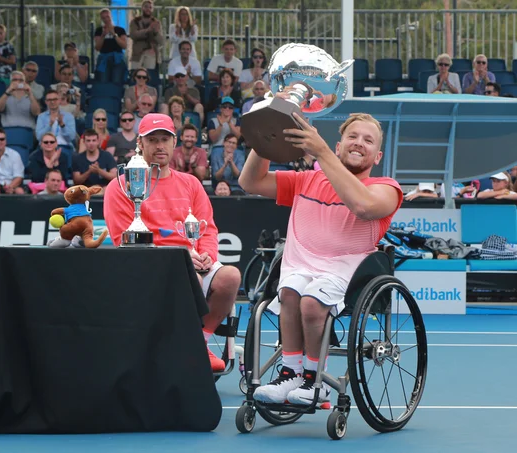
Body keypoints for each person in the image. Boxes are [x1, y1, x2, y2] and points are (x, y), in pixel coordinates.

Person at [239, 107, 403, 407]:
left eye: (368, 140)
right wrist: (266, 134)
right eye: (352, 136)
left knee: (312, 304)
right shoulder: (306, 181)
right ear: (340, 146)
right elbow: (250, 182)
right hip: (299, 266)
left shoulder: (386, 188)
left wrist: (322, 152)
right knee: (288, 292)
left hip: (345, 274)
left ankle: (316, 381)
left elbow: (363, 207)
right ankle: (291, 374)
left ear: (377, 157)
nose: (359, 143)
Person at [103, 113, 241, 372]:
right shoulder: (120, 187)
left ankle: (199, 342)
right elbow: (124, 239)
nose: (159, 146)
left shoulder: (190, 183)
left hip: (190, 262)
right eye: (152, 140)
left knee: (230, 277)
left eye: (164, 139)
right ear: (140, 144)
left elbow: (207, 228)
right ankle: (178, 345)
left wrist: (207, 254)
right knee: (192, 278)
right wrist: (178, 257)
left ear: (174, 142)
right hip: (149, 264)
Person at [94, 8, 127, 84]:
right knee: (103, 81)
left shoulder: (120, 30)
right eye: (103, 18)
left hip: (117, 58)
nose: (106, 19)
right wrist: (103, 35)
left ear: (111, 16)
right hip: (104, 58)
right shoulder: (99, 31)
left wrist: (114, 35)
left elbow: (124, 45)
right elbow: (97, 48)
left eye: (107, 17)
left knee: (117, 80)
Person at [128, 0, 164, 71]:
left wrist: (156, 32)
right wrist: (148, 30)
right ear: (142, 8)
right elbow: (133, 35)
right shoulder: (135, 21)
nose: (148, 9)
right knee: (135, 75)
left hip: (151, 53)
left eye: (150, 7)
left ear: (152, 9)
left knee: (150, 77)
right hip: (137, 53)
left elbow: (161, 41)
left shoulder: (156, 22)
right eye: (146, 7)